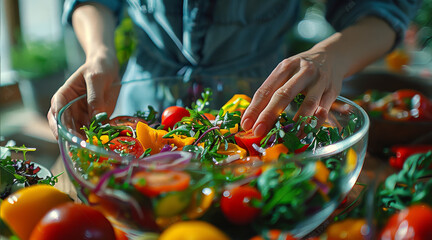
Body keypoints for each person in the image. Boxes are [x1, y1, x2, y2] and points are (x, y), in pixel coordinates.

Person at [48, 0, 421, 138]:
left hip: (260, 116)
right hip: (138, 111)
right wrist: (100, 54)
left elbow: (385, 7)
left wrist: (331, 56)